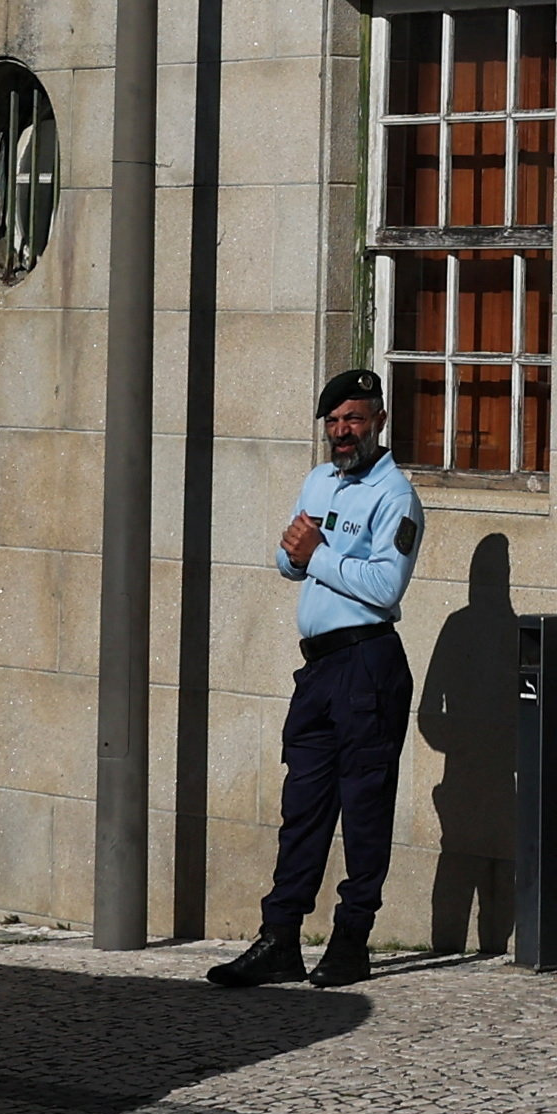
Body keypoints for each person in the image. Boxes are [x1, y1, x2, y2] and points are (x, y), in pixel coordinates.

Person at [212, 367, 422, 987]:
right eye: (332, 422)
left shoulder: (395, 496)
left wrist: (317, 554)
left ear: (379, 421)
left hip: (368, 663)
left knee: (363, 810)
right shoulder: (320, 481)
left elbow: (385, 587)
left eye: (353, 419)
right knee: (301, 807)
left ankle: (352, 938)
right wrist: (301, 553)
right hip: (320, 668)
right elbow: (286, 561)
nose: (341, 432)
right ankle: (279, 937)